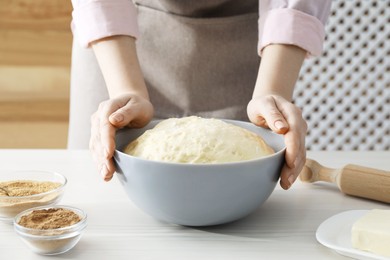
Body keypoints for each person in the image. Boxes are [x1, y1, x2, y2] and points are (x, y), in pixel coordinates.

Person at [68, 0, 332, 190]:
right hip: (117, 42)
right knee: (98, 196)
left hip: (253, 42)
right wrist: (125, 90)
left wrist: (272, 90)